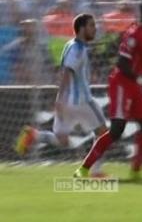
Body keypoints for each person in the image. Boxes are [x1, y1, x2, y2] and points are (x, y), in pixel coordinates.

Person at [73, 1, 142, 180]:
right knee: (117, 129)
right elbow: (122, 64)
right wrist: (141, 80)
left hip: (134, 83)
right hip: (121, 83)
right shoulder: (133, 34)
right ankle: (84, 169)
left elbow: (139, 64)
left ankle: (136, 171)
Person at [15, 14, 108, 177]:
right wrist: (60, 97)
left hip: (67, 102)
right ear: (81, 29)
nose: (95, 28)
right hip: (82, 100)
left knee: (61, 140)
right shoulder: (77, 49)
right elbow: (66, 72)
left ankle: (34, 135)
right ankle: (95, 171)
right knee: (104, 134)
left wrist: (61, 98)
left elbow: (63, 70)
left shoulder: (71, 45)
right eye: (92, 25)